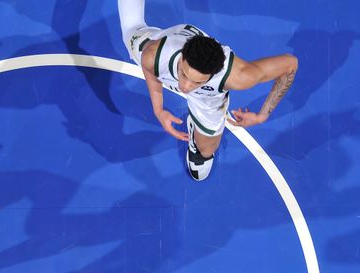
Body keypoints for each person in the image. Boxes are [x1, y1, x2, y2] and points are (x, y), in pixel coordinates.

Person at [118, 0, 298, 181]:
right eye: (184, 74)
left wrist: (263, 115)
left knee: (206, 151)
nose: (185, 87)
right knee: (131, 29)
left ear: (213, 74)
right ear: (181, 59)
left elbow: (290, 65)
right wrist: (158, 109)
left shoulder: (239, 76)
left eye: (196, 82)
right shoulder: (154, 54)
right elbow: (149, 68)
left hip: (208, 97)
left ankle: (197, 136)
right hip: (168, 44)